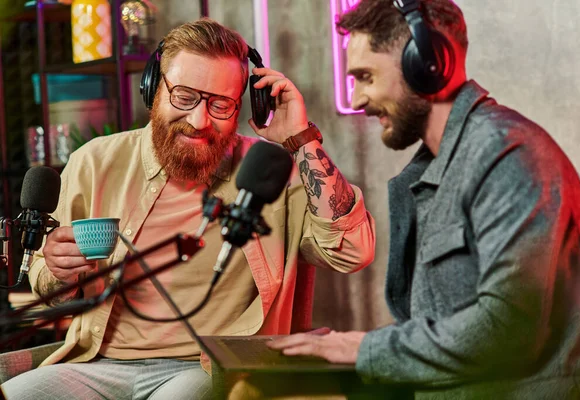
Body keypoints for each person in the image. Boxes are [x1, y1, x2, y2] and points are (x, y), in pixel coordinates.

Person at [1, 18, 376, 399]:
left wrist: (301, 138)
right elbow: (46, 281)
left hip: (204, 367)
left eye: (220, 104)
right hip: (98, 366)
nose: (199, 121)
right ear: (153, 88)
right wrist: (59, 272)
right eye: (184, 96)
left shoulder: (270, 172)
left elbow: (352, 252)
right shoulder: (94, 163)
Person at [268, 0, 580, 398]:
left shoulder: (509, 155)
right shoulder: (434, 169)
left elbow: (508, 330)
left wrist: (359, 348)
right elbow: (443, 329)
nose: (356, 100)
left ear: (426, 66)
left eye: (366, 77)